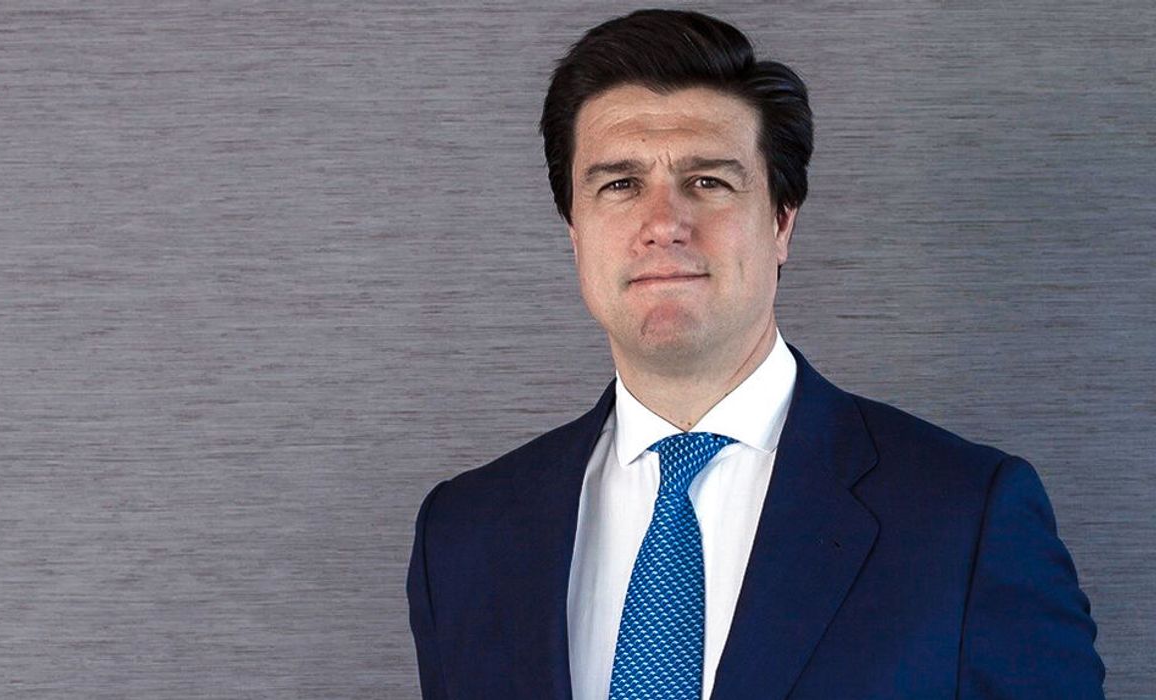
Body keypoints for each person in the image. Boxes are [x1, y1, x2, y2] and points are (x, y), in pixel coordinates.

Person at [406, 9, 1104, 699]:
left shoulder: (967, 518)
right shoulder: (464, 535)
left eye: (708, 181)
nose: (663, 224)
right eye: (620, 185)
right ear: (575, 232)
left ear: (780, 223)